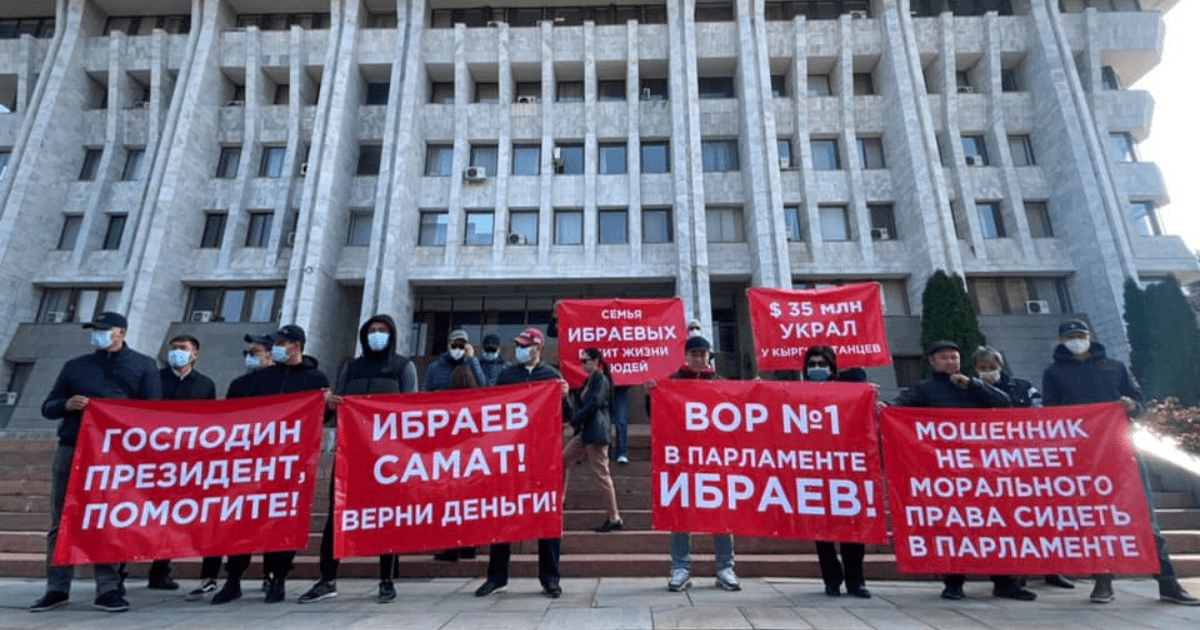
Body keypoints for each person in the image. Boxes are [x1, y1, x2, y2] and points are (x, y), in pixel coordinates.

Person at [1042, 319, 1200, 606]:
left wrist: (1132, 406)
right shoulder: (1054, 373)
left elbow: (1139, 403)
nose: (1076, 340)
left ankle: (1167, 582)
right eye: (1070, 336)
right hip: (1085, 456)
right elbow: (1050, 412)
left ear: (1089, 337)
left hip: (1122, 450)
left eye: (1080, 335)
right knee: (1097, 519)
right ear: (1061, 341)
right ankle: (1103, 582)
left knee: (1147, 519)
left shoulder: (1114, 367)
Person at [31, 312, 161, 614]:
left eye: (104, 329)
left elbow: (152, 412)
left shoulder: (143, 365)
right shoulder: (75, 366)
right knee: (61, 520)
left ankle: (108, 588)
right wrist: (66, 405)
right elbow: (48, 407)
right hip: (72, 447)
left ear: (121, 332)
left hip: (114, 454)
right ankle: (56, 588)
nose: (98, 334)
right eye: (95, 329)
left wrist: (114, 410)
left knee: (107, 519)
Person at [892, 340, 1036, 602]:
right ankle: (954, 583)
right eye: (944, 358)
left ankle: (1004, 582)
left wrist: (974, 385)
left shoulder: (973, 385)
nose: (950, 362)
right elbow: (897, 408)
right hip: (946, 473)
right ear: (932, 362)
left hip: (982, 472)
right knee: (952, 528)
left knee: (992, 526)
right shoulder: (924, 389)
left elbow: (1004, 404)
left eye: (954, 357)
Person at [299, 315, 418, 604]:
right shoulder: (351, 368)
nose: (377, 334)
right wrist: (329, 404)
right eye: (372, 330)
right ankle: (327, 579)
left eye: (383, 330)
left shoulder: (403, 366)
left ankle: (386, 580)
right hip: (350, 454)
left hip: (387, 457)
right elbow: (337, 407)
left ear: (392, 335)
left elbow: (411, 408)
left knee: (387, 516)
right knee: (336, 516)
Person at [212, 325, 330, 605]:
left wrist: (325, 405)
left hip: (291, 463)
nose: (276, 347)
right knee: (243, 520)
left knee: (283, 520)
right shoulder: (263, 378)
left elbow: (318, 419)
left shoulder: (316, 380)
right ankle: (233, 578)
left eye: (281, 343)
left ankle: (278, 577)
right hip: (255, 463)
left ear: (296, 345)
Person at [474, 328, 569, 599]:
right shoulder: (507, 376)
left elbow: (567, 416)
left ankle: (550, 578)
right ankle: (497, 577)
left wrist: (564, 397)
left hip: (542, 458)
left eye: (525, 345)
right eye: (518, 345)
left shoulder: (551, 376)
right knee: (502, 515)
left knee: (547, 517)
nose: (521, 350)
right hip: (511, 457)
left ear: (538, 347)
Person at [970, 346, 1072, 591]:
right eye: (982, 368)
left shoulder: (1023, 387)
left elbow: (1040, 415)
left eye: (992, 367)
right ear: (975, 369)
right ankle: (1017, 573)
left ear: (1001, 366)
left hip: (1028, 462)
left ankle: (1052, 569)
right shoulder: (972, 392)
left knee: (1042, 519)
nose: (988, 371)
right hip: (992, 465)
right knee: (1008, 522)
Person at [648, 334, 741, 593]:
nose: (699, 359)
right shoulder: (673, 383)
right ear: (686, 357)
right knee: (681, 512)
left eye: (703, 354)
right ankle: (680, 567)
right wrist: (650, 396)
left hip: (715, 459)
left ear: (709, 357)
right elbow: (657, 416)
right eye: (695, 354)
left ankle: (725, 567)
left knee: (721, 513)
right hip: (682, 459)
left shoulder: (720, 383)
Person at [187, 333, 275, 601]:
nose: (249, 357)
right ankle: (218, 577)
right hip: (239, 461)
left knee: (271, 519)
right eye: (247, 352)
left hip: (273, 461)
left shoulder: (281, 382)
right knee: (226, 518)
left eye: (255, 352)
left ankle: (271, 575)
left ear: (270, 354)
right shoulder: (239, 384)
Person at [147, 334, 217, 592]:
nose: (177, 352)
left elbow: (209, 421)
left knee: (170, 517)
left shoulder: (205, 385)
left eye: (183, 348)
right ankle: (120, 572)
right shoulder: (153, 380)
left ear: (195, 354)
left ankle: (160, 570)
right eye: (173, 348)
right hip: (150, 458)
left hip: (185, 461)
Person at [801, 346, 870, 599]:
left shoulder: (850, 392)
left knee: (852, 525)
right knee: (822, 530)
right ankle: (831, 580)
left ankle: (856, 580)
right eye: (812, 364)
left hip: (845, 467)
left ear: (832, 368)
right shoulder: (797, 393)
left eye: (822, 364)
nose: (817, 368)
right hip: (813, 468)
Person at [427, 328, 486, 563]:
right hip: (447, 442)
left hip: (466, 445)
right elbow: (424, 399)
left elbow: (484, 389)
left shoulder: (473, 365)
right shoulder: (435, 368)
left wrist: (472, 360)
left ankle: (466, 545)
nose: (458, 349)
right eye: (455, 345)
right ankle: (457, 545)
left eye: (463, 345)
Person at [563, 348, 622, 532]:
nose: (583, 364)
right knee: (562, 460)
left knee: (601, 475)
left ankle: (614, 517)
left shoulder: (600, 380)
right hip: (586, 432)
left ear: (596, 361)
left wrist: (575, 419)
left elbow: (594, 404)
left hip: (595, 434)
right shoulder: (590, 380)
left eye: (586, 360)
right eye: (582, 361)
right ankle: (559, 501)